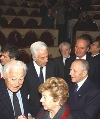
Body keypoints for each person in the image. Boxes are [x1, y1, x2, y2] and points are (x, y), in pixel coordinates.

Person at [24, 41, 59, 118]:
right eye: (42, 58)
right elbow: (24, 95)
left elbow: (58, 89)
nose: (46, 60)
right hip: (34, 112)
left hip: (51, 111)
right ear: (34, 57)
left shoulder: (54, 66)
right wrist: (28, 114)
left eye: (47, 56)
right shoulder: (26, 70)